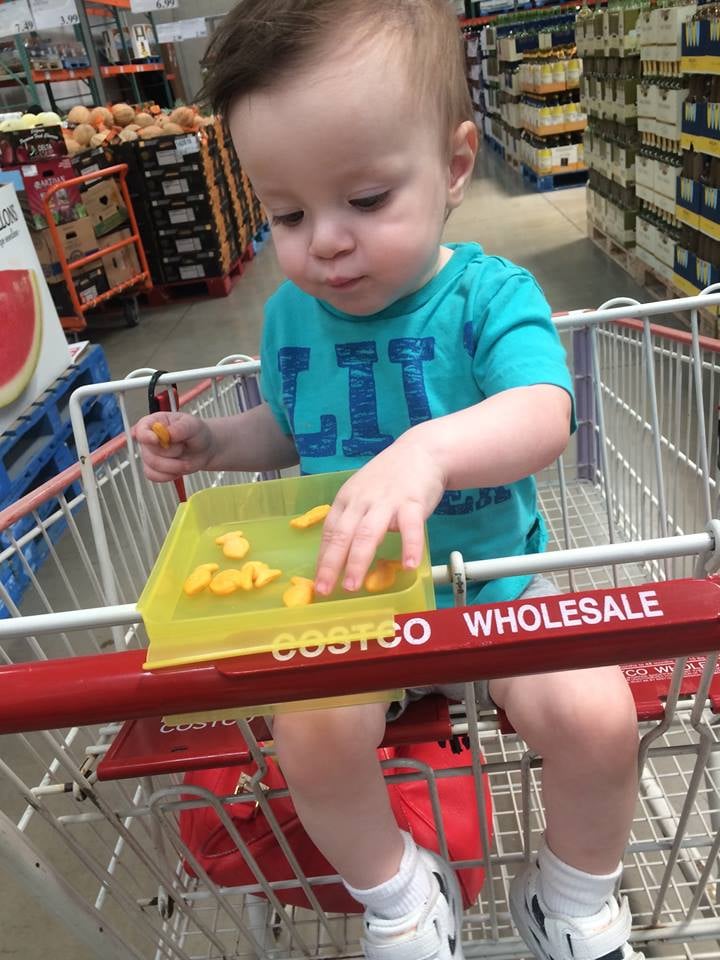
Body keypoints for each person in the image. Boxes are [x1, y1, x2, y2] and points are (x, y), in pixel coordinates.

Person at [136, 3, 641, 959]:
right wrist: (215, 441)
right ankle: (401, 892)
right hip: (354, 598)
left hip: (492, 584)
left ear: (454, 167)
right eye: (287, 214)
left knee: (597, 716)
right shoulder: (292, 319)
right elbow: (293, 429)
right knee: (311, 738)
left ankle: (571, 897)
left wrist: (429, 451)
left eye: (365, 200)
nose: (324, 241)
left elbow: (544, 409)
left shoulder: (489, 296)